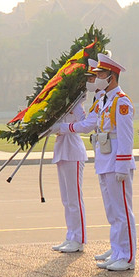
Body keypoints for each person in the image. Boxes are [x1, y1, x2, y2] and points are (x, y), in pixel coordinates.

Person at [84, 55, 135, 272]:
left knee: (123, 211)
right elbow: (88, 124)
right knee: (112, 212)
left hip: (116, 162)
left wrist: (122, 165)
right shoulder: (104, 100)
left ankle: (128, 257)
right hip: (104, 160)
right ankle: (117, 251)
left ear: (112, 77)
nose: (97, 78)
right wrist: (62, 128)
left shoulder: (121, 102)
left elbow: (125, 136)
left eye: (101, 75)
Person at [47, 60, 93, 253]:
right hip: (62, 150)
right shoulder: (61, 105)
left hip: (73, 150)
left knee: (74, 198)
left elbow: (86, 125)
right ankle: (70, 235)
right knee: (66, 199)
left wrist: (64, 128)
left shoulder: (76, 105)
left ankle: (79, 239)